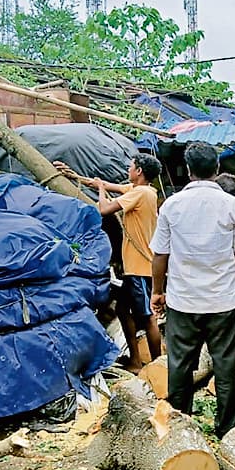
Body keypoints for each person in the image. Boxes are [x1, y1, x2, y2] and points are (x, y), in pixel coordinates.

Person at [149, 144, 235, 437]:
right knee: (225, 365)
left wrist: (157, 291)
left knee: (180, 366)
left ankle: (179, 427)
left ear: (188, 170)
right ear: (217, 168)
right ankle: (227, 428)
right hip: (223, 300)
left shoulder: (171, 205)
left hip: (182, 300)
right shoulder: (232, 206)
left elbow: (160, 255)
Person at [59, 154, 164, 373]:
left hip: (140, 267)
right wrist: (73, 175)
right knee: (123, 310)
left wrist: (99, 190)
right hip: (134, 267)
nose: (128, 170)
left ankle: (158, 365)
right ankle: (136, 361)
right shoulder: (141, 190)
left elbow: (103, 209)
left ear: (139, 171)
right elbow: (106, 184)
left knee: (148, 317)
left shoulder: (140, 193)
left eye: (131, 167)